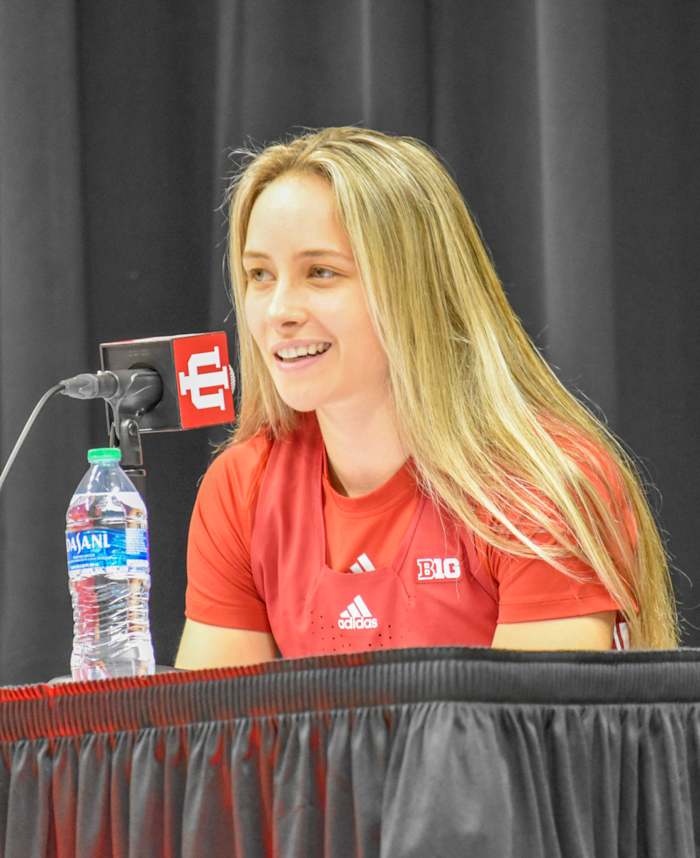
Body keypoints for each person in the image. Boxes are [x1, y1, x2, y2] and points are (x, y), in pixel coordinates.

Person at [175, 126, 679, 670]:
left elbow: (532, 724)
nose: (278, 312)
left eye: (321, 272)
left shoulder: (538, 489)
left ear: (416, 286)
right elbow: (213, 722)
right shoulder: (242, 489)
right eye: (259, 275)